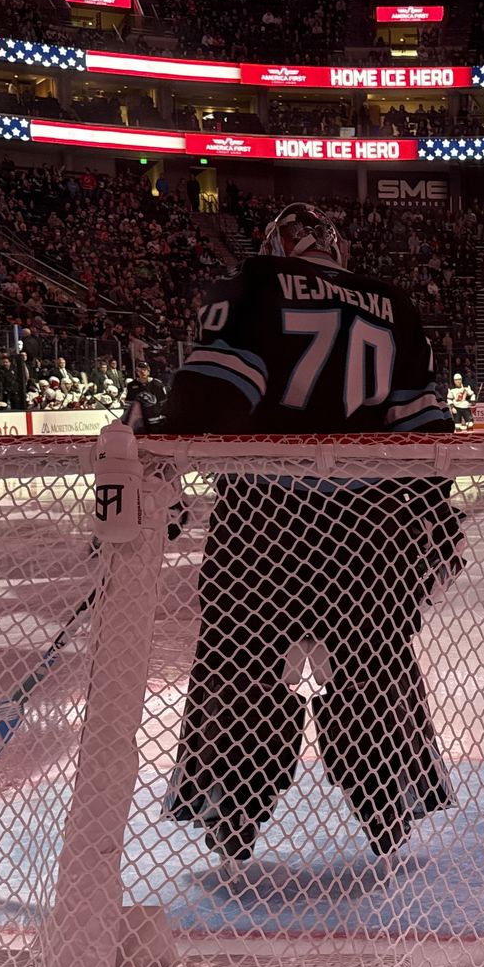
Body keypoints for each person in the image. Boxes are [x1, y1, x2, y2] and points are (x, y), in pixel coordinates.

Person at [159, 202, 459, 864]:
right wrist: (433, 517)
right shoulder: (391, 303)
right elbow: (427, 435)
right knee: (375, 667)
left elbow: (209, 399)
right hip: (371, 530)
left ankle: (232, 812)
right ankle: (388, 806)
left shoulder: (257, 284)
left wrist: (159, 440)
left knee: (240, 667)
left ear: (278, 243)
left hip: (262, 522)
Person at [121, 361, 166, 431]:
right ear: (137, 372)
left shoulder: (157, 385)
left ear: (149, 371)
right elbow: (128, 404)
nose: (142, 372)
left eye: (144, 370)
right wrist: (126, 417)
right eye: (140, 370)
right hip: (139, 421)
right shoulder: (132, 385)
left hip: (155, 420)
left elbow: (163, 403)